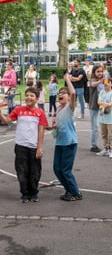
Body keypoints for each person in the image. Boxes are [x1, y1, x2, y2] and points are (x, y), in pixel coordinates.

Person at [0, 87, 48, 203]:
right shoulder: (18, 110)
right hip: (20, 146)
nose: (29, 98)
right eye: (27, 95)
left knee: (35, 171)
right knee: (21, 170)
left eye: (32, 96)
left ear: (37, 99)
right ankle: (24, 193)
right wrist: (0, 114)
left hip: (33, 147)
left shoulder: (40, 113)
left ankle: (34, 192)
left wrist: (39, 147)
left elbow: (41, 131)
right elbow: (7, 120)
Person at [51, 74, 83, 202]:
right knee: (57, 169)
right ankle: (69, 190)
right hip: (59, 142)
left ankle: (76, 193)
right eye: (60, 92)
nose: (61, 94)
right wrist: (51, 128)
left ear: (69, 98)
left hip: (69, 142)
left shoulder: (70, 107)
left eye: (64, 93)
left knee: (66, 170)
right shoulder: (58, 109)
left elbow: (74, 93)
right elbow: (58, 126)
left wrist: (68, 80)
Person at [88, 65, 104, 153]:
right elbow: (92, 84)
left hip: (102, 106)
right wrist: (100, 81)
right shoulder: (93, 80)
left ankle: (104, 145)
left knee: (101, 126)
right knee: (95, 127)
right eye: (98, 71)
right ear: (94, 72)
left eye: (101, 71)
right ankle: (93, 145)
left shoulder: (103, 81)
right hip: (94, 106)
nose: (100, 73)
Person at [96, 78, 112, 158]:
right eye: (105, 84)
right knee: (104, 134)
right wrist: (105, 105)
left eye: (108, 83)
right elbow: (99, 102)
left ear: (111, 84)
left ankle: (111, 150)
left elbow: (111, 104)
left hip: (110, 118)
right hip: (102, 117)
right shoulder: (102, 92)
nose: (106, 85)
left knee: (111, 135)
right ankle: (105, 149)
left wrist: (103, 107)